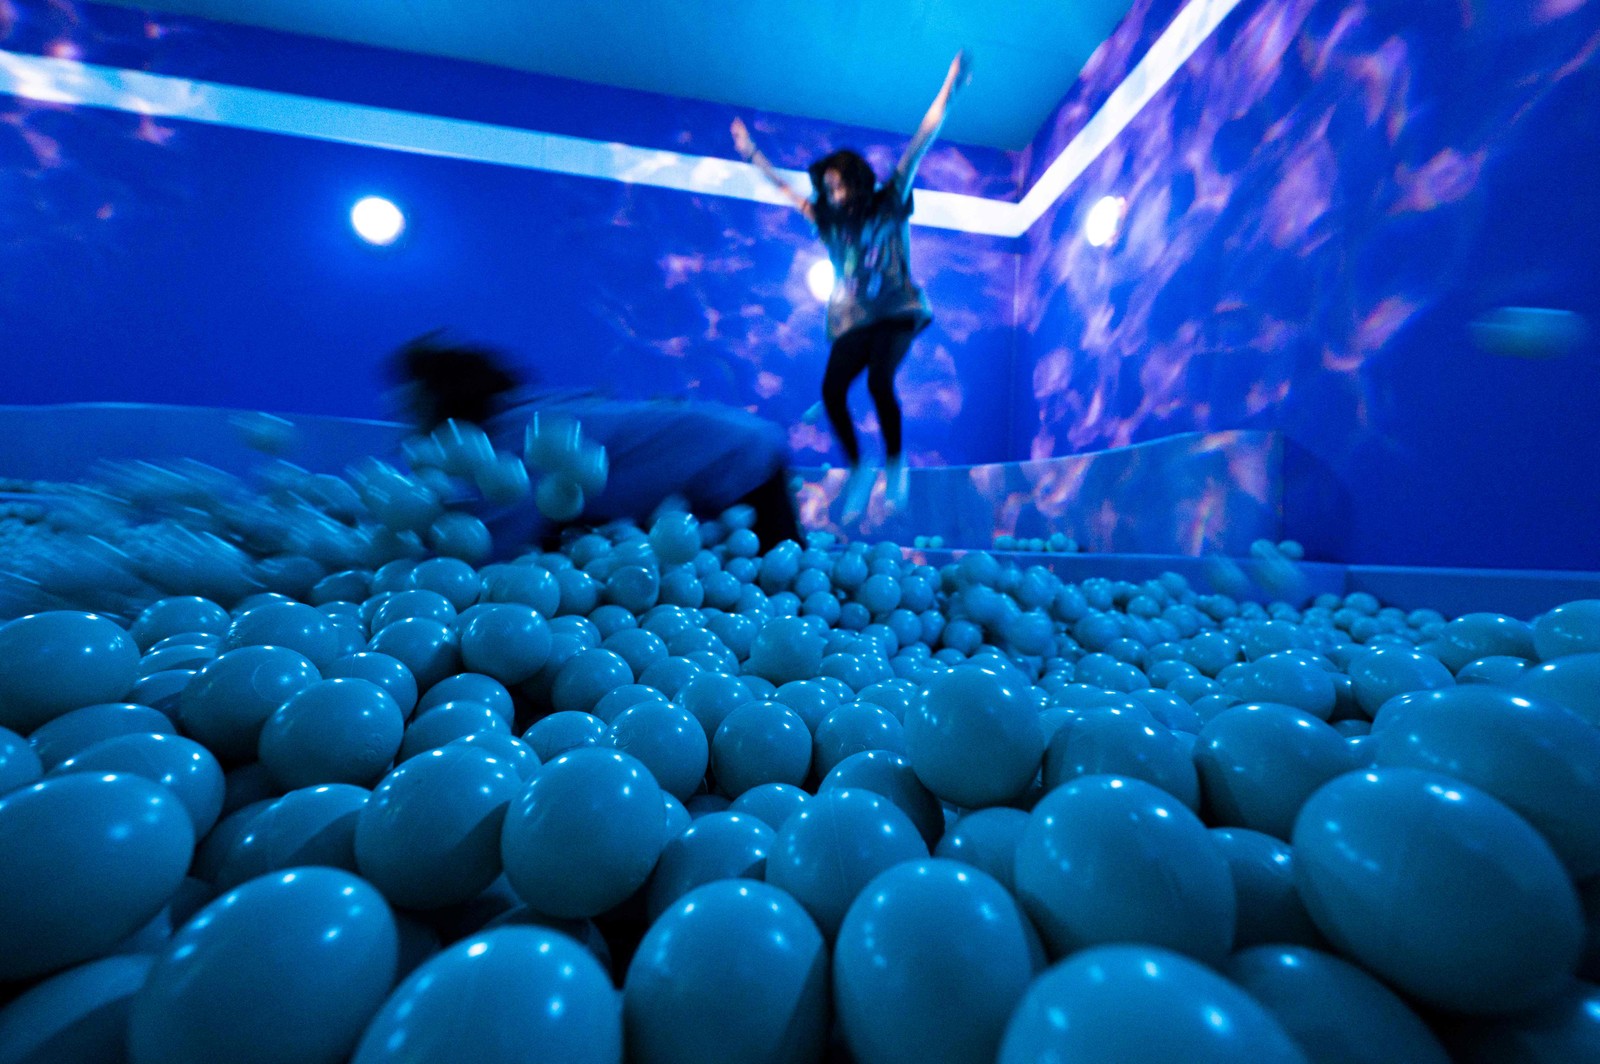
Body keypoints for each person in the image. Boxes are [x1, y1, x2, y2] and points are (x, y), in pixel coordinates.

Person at [731, 49, 972, 522]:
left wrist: (951, 88)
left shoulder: (890, 199)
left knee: (881, 380)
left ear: (857, 182)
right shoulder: (827, 220)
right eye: (830, 188)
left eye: (842, 185)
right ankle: (860, 467)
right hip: (854, 317)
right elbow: (782, 189)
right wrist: (752, 154)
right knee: (833, 388)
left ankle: (895, 463)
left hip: (899, 309)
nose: (836, 194)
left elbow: (921, 141)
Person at [389, 332, 800, 556]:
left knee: (782, 580)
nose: (411, 422)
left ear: (445, 397)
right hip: (741, 447)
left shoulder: (519, 433)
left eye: (415, 405)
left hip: (744, 457)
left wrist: (415, 554)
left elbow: (500, 536)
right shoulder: (524, 417)